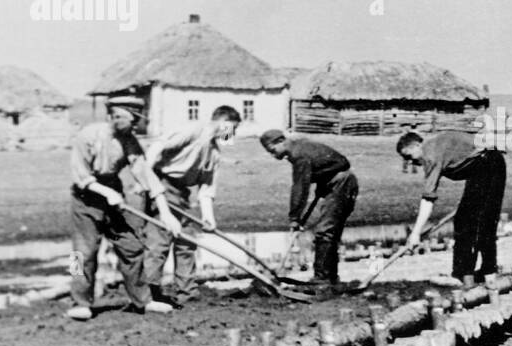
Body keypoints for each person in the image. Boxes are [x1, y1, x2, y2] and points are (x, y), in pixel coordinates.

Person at [67, 96, 179, 320]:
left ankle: (143, 300)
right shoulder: (87, 136)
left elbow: (144, 173)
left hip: (114, 197)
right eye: (133, 119)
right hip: (85, 198)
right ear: (116, 117)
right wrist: (106, 193)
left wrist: (166, 213)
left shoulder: (129, 140)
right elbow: (81, 175)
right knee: (81, 254)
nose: (136, 125)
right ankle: (78, 301)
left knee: (131, 247)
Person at [142, 106, 240, 305]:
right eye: (232, 128)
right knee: (161, 238)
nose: (233, 133)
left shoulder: (214, 153)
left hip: (183, 192)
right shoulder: (194, 130)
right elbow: (157, 146)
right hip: (163, 182)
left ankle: (186, 291)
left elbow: (206, 188)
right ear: (224, 123)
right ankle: (149, 291)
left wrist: (208, 217)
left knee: (187, 240)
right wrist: (147, 175)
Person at [398, 129, 506, 281]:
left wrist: (416, 233)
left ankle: (479, 273)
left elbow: (428, 199)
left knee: (479, 221)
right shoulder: (432, 147)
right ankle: (467, 272)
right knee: (465, 220)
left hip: (489, 165)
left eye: (408, 156)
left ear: (417, 146)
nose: (409, 162)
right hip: (482, 166)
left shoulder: (430, 156)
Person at [261, 130, 358, 284]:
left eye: (272, 150)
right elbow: (333, 163)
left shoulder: (299, 155)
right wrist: (323, 181)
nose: (273, 155)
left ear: (280, 142)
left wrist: (294, 218)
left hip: (341, 184)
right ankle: (330, 278)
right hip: (339, 182)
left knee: (325, 230)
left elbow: (300, 187)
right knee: (329, 232)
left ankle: (323, 279)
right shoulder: (300, 146)